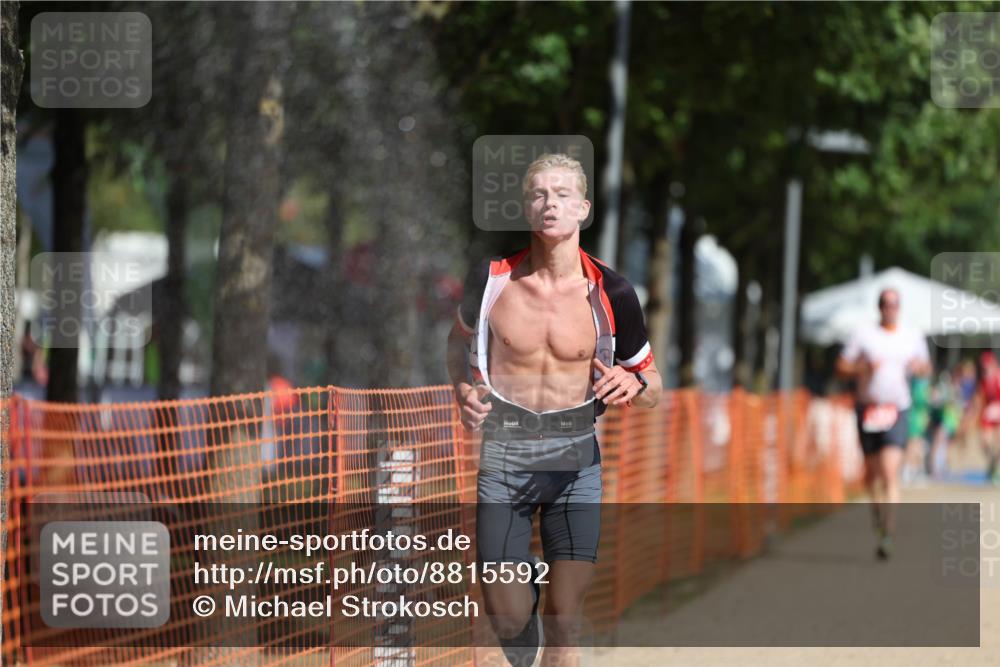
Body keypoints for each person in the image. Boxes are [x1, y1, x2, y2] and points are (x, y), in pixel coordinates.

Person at [446, 153, 662, 666]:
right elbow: (456, 343)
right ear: (527, 207)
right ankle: (523, 603)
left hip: (575, 463)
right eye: (539, 194)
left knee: (566, 617)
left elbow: (654, 385)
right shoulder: (492, 281)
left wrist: (633, 384)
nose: (550, 204)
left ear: (583, 208)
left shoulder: (612, 293)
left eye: (563, 194)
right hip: (505, 458)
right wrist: (462, 388)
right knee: (508, 618)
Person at [835, 288, 931, 560]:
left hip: (897, 409)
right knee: (872, 476)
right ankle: (878, 519)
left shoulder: (911, 335)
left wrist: (919, 368)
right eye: (886, 304)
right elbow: (841, 366)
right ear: (879, 307)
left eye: (895, 304)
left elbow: (926, 367)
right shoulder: (863, 334)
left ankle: (888, 532)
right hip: (868, 410)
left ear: (900, 307)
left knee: (890, 471)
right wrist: (861, 368)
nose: (890, 308)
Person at [974, 351, 1000, 485]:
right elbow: (980, 399)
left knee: (998, 443)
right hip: (989, 414)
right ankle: (992, 464)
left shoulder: (998, 377)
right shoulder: (983, 381)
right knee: (985, 442)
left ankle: (995, 469)